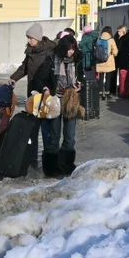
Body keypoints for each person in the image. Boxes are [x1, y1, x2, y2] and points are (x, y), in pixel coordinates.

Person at [8, 23, 55, 168]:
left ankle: (49, 158)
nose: (28, 40)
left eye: (30, 38)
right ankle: (31, 156)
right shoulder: (30, 51)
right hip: (32, 95)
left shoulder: (50, 51)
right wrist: (13, 77)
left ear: (38, 38)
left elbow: (54, 73)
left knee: (47, 128)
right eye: (28, 38)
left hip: (46, 95)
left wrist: (50, 90)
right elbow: (25, 68)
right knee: (32, 128)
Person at [51, 34, 84, 175]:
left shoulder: (77, 59)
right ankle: (52, 166)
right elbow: (47, 76)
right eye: (70, 49)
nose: (72, 51)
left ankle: (67, 164)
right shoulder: (53, 58)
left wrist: (79, 84)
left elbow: (81, 75)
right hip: (55, 99)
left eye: (74, 48)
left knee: (70, 136)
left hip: (71, 98)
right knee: (54, 135)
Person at [95, 26, 119, 100]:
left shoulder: (98, 39)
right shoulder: (111, 40)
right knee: (108, 77)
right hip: (108, 62)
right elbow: (115, 52)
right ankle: (107, 93)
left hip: (99, 61)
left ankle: (100, 92)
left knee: (101, 78)